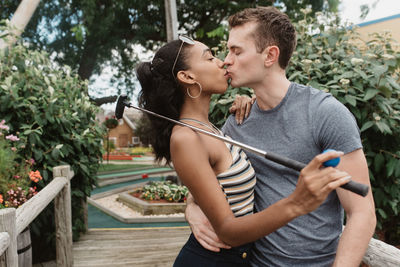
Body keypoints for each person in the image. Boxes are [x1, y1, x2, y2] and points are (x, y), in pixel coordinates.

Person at [136, 34, 354, 266]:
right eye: (210, 58)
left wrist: (253, 102)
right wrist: (296, 203)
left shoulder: (211, 128)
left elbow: (216, 185)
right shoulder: (185, 137)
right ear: (187, 76)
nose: (222, 62)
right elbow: (228, 231)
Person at [185, 6, 377, 267]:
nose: (226, 60)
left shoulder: (326, 114)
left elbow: (361, 212)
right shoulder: (236, 123)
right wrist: (192, 210)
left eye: (236, 51)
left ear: (270, 55)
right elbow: (207, 186)